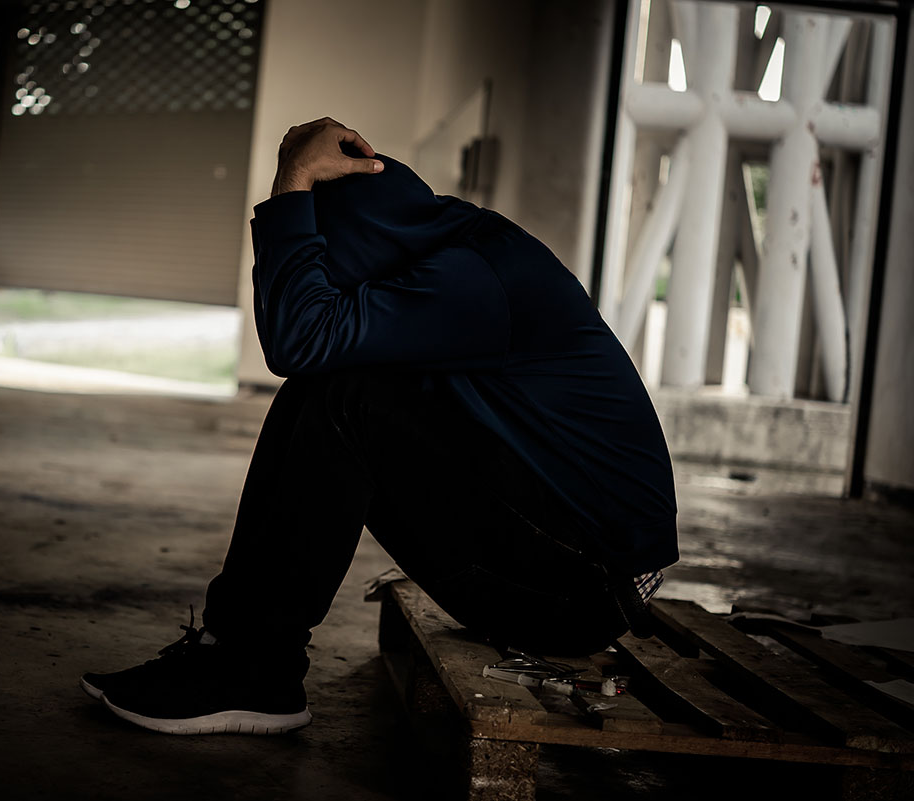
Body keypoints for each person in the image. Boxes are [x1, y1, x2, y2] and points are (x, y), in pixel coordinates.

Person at [80, 117, 677, 736]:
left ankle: (257, 669)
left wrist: (294, 181)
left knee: (347, 396)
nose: (327, 283)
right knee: (326, 385)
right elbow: (299, 340)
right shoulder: (435, 251)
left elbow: (295, 337)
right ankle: (228, 648)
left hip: (580, 591)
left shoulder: (479, 278)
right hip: (552, 556)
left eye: (328, 263)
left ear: (363, 240)